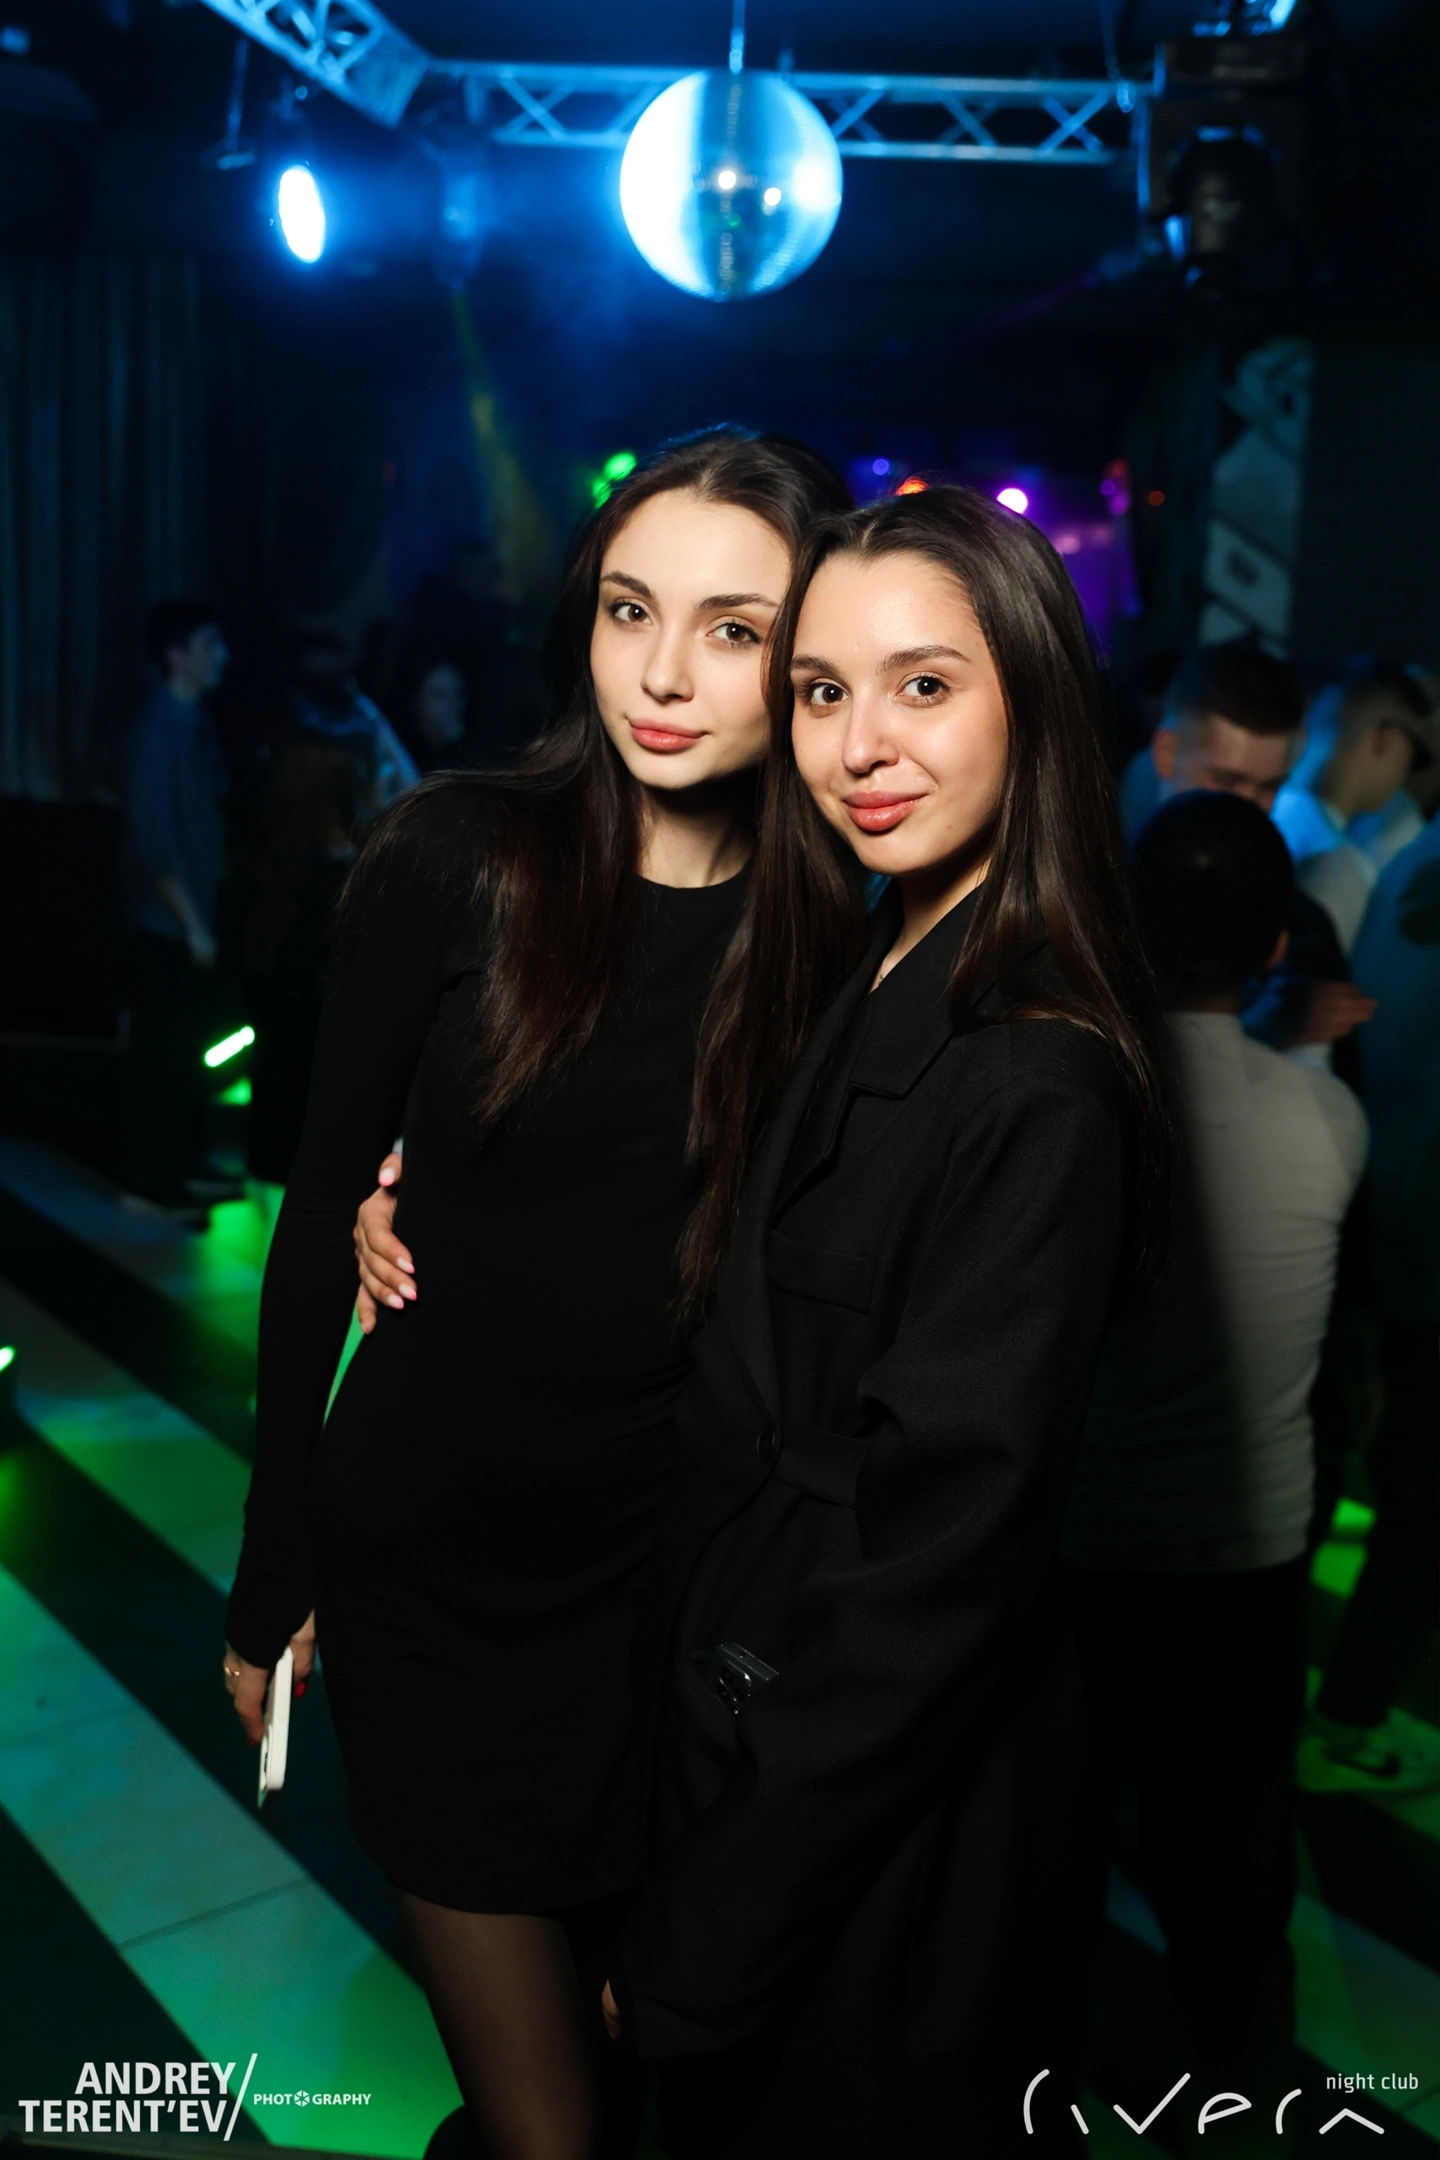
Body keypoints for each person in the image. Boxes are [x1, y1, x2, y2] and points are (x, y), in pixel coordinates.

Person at [221, 429, 852, 2160]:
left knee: (642, 2085)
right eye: (630, 609)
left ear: (810, 658)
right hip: (435, 1563)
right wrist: (276, 1562)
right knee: (550, 2126)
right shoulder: (457, 854)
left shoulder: (837, 936)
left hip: (672, 1591)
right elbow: (316, 1210)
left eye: (734, 630)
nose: (662, 673)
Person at [600, 487, 1171, 2158]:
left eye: (925, 685)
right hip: (750, 1708)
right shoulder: (880, 952)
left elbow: (937, 1573)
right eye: (824, 691)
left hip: (870, 1820)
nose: (861, 746)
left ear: (1033, 701)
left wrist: (705, 1937)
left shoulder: (1036, 1073)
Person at [1062, 792, 1368, 2115]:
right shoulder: (1331, 1126)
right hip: (1250, 1558)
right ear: (1276, 947)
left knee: (1048, 1867)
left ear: (1123, 924)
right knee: (1233, 1885)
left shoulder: (1073, 1105)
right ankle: (1246, 2120)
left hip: (1079, 1555)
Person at [1300, 812, 1440, 1796]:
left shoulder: (1414, 854)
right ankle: (1346, 1722)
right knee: (1424, 1507)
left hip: (1372, 1220)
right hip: (1421, 1246)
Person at [1138, 643, 1373, 1064]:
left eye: (1268, 787)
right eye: (1226, 781)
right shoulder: (1084, 896)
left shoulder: (1304, 930)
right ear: (1167, 754)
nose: (1247, 808)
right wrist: (1250, 1036)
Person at [121, 598, 233, 1217]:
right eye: (209, 644)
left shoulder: (193, 724)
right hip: (169, 922)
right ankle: (148, 1175)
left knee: (189, 1044)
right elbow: (153, 838)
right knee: (163, 1049)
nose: (221, 656)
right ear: (176, 654)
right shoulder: (157, 730)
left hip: (194, 916)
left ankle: (183, 1161)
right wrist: (190, 922)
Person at [241, 737, 366, 1187]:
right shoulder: (329, 856)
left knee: (276, 1069)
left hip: (276, 981)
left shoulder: (273, 842)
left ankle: (270, 1161)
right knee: (298, 1077)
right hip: (311, 988)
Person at [1271, 658, 1436, 954]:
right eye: (1415, 753)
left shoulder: (1252, 816)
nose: (1406, 773)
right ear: (1386, 739)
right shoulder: (1341, 870)